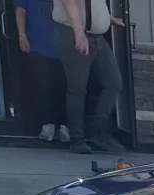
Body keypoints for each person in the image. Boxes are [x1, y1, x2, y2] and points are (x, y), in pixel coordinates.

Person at [52, 0, 122, 154]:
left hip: (97, 38)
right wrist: (79, 33)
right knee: (77, 89)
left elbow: (90, 6)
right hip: (72, 33)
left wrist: (106, 18)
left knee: (113, 82)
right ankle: (77, 140)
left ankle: (98, 131)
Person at [15, 0, 68, 143]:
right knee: (41, 86)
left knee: (62, 87)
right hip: (37, 44)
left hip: (63, 46)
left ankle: (63, 126)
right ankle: (47, 125)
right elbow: (21, 10)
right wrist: (22, 34)